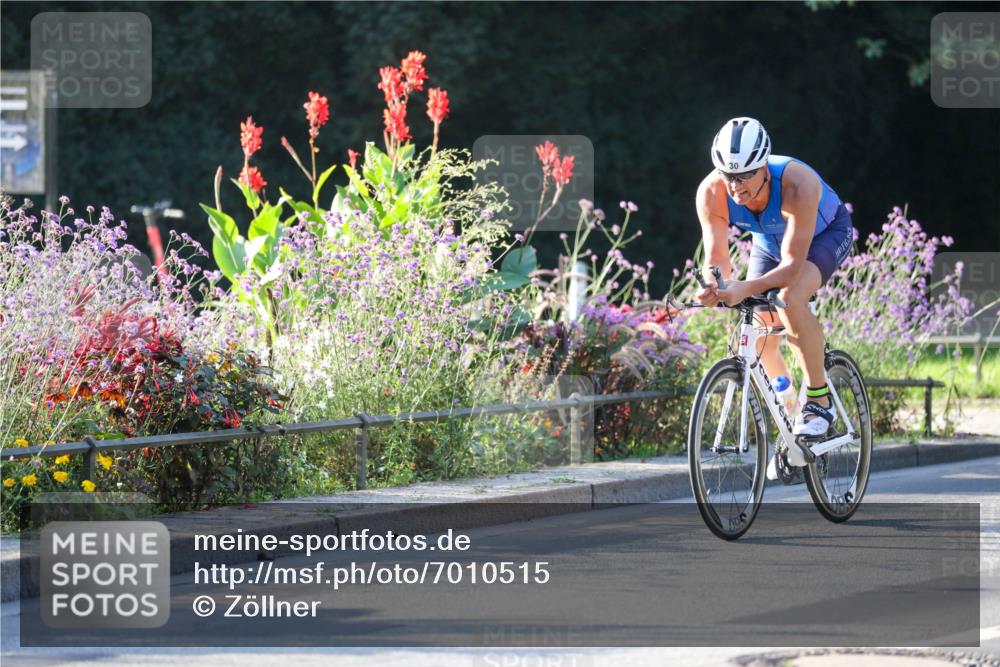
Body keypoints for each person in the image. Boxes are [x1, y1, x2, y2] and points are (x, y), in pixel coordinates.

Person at [694, 117, 854, 473]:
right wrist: (714, 286)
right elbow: (717, 259)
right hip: (769, 244)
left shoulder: (798, 183)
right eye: (727, 175)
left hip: (825, 237)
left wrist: (745, 288)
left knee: (788, 297)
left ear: (764, 166)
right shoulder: (711, 192)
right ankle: (793, 417)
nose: (734, 187)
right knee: (759, 330)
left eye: (744, 175)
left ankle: (819, 400)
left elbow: (793, 267)